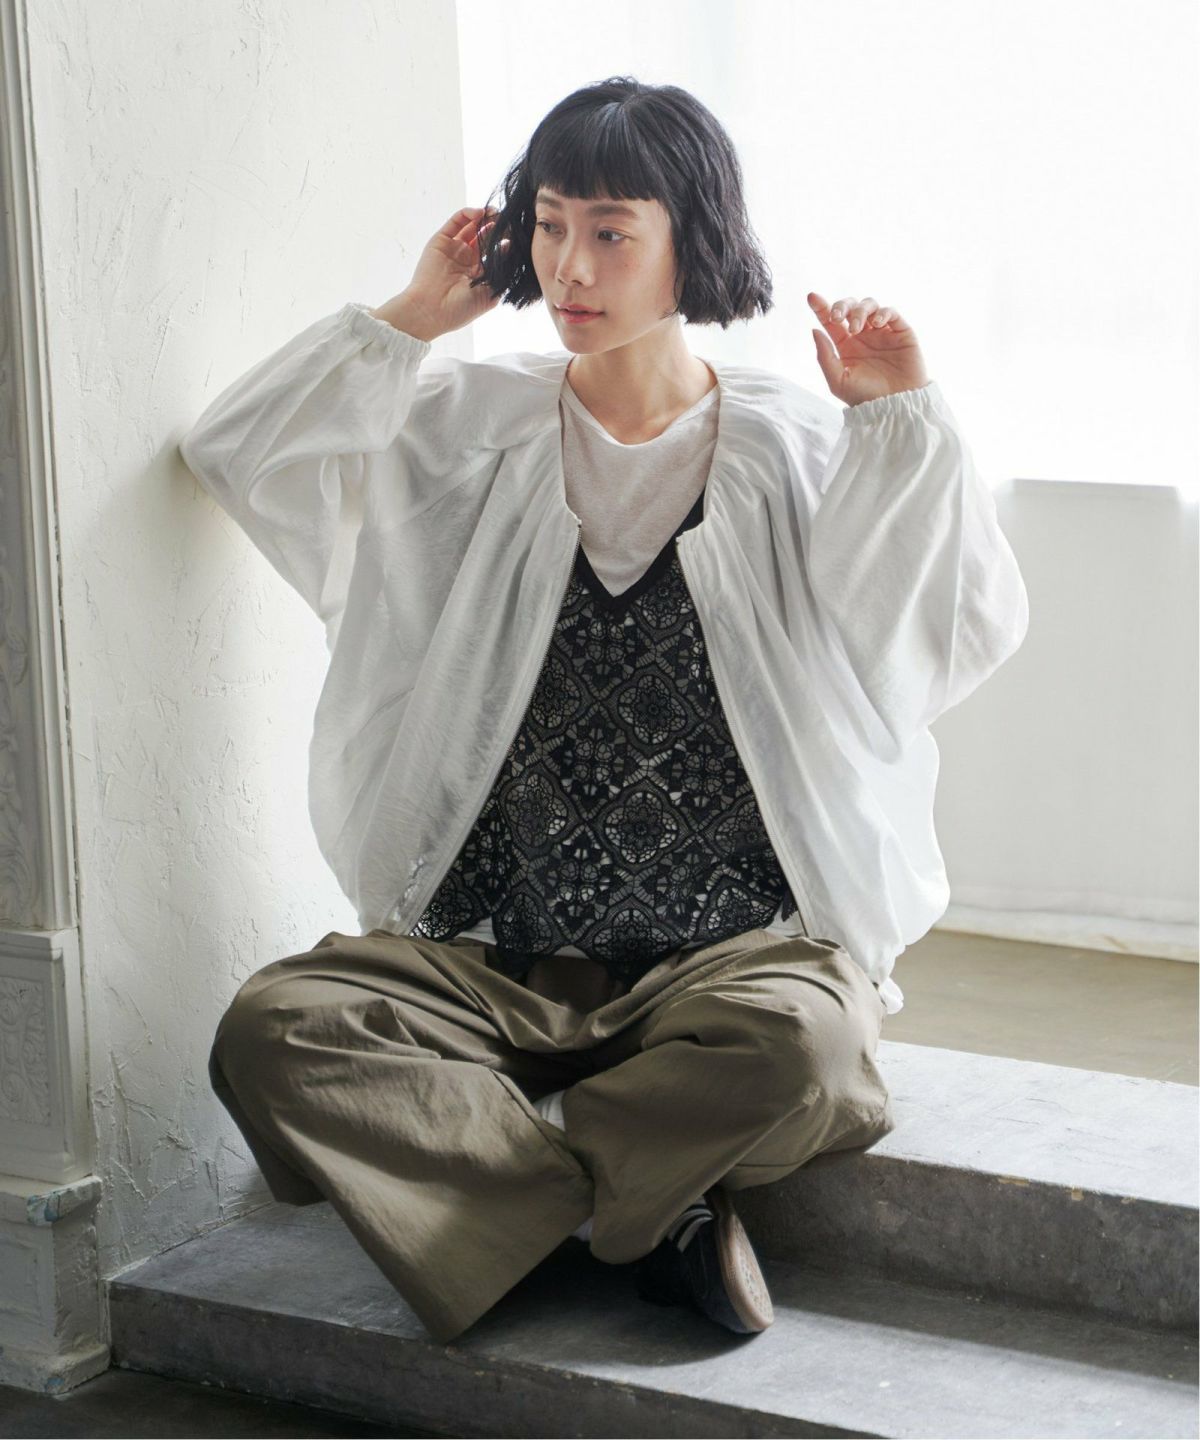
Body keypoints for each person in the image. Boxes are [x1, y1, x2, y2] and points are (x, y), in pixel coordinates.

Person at [182, 76, 1028, 1346]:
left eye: (611, 232)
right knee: (272, 1031)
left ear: (695, 242)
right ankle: (653, 1211)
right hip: (494, 959)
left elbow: (941, 627)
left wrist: (904, 422)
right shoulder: (468, 429)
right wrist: (412, 319)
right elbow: (243, 452)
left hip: (728, 960)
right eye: (548, 225)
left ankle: (503, 1200)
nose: (569, 267)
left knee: (806, 1051)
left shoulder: (793, 449)